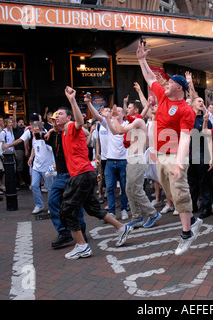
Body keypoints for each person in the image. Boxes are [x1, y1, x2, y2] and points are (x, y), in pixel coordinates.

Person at [136, 41, 202, 255]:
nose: (166, 82)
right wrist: (141, 60)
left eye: (171, 81)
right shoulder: (163, 96)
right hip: (162, 155)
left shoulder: (186, 110)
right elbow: (150, 78)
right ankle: (193, 221)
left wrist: (179, 162)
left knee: (180, 191)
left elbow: (185, 138)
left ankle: (186, 234)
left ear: (179, 87)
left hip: (175, 155)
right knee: (171, 193)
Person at [56, 87, 132, 260]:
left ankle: (82, 246)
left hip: (82, 175)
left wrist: (72, 100)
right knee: (92, 208)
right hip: (84, 175)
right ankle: (122, 227)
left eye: (60, 114)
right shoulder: (63, 132)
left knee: (67, 210)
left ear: (68, 117)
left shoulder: (71, 126)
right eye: (55, 115)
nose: (56, 117)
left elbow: (79, 121)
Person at [45, 113, 87, 248]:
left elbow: (85, 132)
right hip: (60, 175)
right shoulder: (52, 135)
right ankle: (64, 232)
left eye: (56, 119)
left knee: (75, 204)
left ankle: (81, 229)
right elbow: (39, 135)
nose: (54, 122)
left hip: (72, 174)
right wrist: (51, 130)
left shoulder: (70, 131)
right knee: (52, 201)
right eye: (52, 121)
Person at [187, 96, 213, 219]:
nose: (201, 103)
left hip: (203, 154)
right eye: (199, 101)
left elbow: (209, 138)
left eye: (203, 101)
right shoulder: (186, 118)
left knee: (205, 183)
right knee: (191, 183)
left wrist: (211, 158)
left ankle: (206, 207)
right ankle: (192, 206)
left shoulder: (205, 119)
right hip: (189, 155)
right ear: (192, 104)